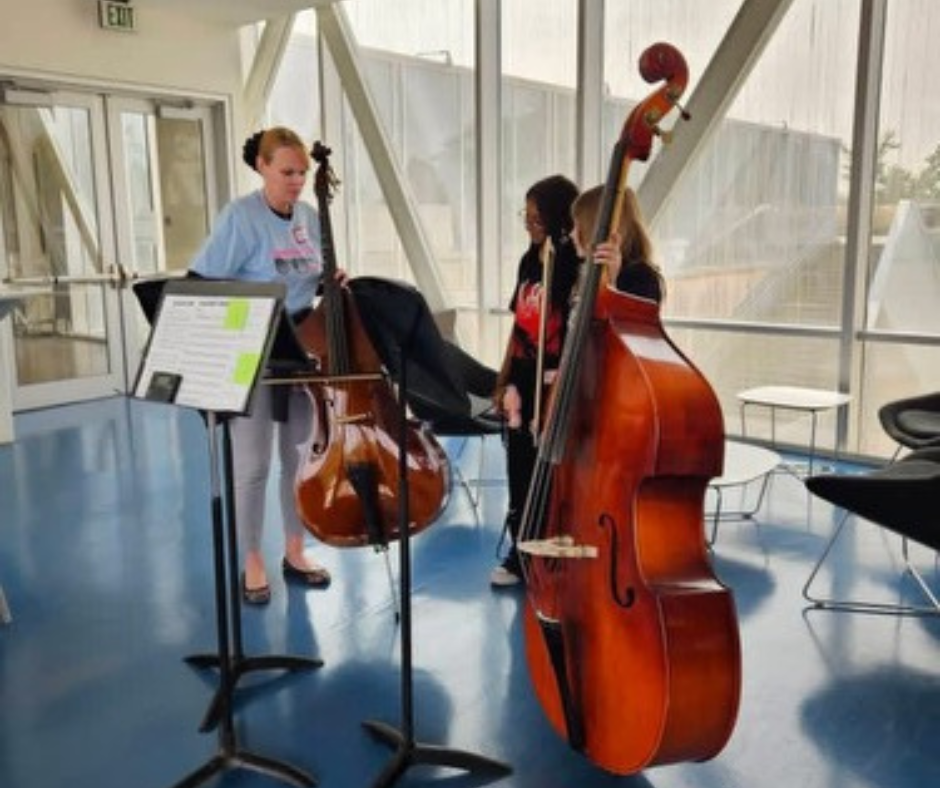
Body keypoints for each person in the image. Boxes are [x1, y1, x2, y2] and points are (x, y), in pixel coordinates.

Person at [189, 126, 343, 605]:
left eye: (302, 173)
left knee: (299, 458)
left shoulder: (310, 217)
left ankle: (295, 550)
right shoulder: (241, 217)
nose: (296, 181)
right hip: (251, 346)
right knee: (253, 464)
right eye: (287, 172)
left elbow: (308, 280)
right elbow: (200, 280)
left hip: (302, 346)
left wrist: (330, 281)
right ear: (262, 166)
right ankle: (252, 558)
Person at [490, 175, 581, 587]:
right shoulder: (530, 262)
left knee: (553, 472)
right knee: (519, 466)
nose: (528, 224)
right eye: (525, 215)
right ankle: (521, 550)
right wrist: (502, 379)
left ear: (558, 218)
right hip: (524, 380)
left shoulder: (573, 265)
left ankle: (555, 551)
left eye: (536, 217)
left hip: (557, 382)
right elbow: (518, 328)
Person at [570, 184, 664, 302]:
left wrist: (610, 285)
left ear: (593, 227)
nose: (572, 234)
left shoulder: (643, 278)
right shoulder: (589, 271)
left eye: (578, 225)